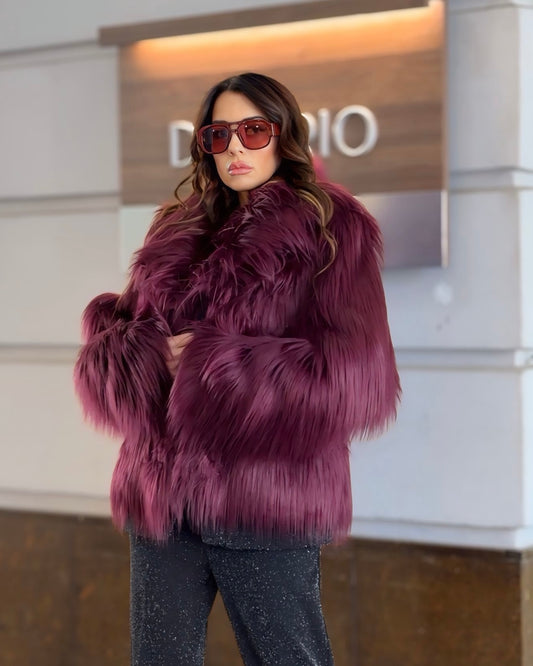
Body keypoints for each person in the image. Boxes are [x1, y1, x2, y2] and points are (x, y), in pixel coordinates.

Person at [74, 72, 400, 666]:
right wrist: (144, 353)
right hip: (164, 495)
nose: (234, 149)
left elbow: (355, 376)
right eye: (218, 135)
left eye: (253, 130)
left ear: (283, 134)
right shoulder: (174, 228)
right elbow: (118, 338)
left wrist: (213, 364)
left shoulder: (332, 226)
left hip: (266, 496)